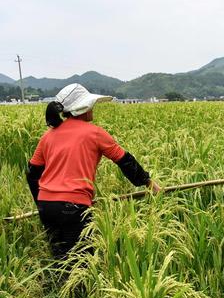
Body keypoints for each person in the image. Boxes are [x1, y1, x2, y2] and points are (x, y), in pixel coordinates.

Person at [26, 83, 162, 261]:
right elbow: (124, 161)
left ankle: (54, 287)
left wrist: (42, 202)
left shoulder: (48, 136)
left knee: (59, 258)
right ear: (83, 107)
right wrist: (149, 183)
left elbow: (32, 172)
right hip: (73, 205)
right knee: (82, 262)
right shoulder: (94, 133)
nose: (93, 108)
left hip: (46, 205)